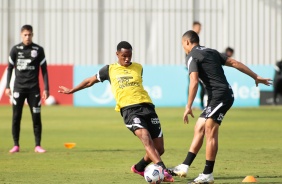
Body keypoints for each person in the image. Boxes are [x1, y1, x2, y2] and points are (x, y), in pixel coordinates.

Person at [58, 41, 174, 182]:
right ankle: (162, 168)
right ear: (117, 54)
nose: (127, 59)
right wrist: (71, 90)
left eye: (129, 56)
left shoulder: (138, 67)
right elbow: (90, 81)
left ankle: (139, 167)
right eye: (124, 56)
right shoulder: (109, 69)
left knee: (159, 149)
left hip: (148, 107)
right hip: (129, 110)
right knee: (145, 137)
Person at [168, 30, 272, 184]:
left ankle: (207, 174)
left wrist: (188, 106)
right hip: (217, 97)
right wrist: (255, 76)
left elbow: (194, 81)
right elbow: (235, 63)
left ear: (187, 42)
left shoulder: (191, 56)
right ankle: (184, 166)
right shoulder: (211, 51)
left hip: (221, 96)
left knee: (210, 129)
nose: (183, 47)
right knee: (199, 127)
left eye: (183, 44)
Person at [5, 25, 50, 153]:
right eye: (25, 35)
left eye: (29, 35)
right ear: (21, 35)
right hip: (19, 88)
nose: (27, 37)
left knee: (36, 117)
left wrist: (46, 88)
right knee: (16, 117)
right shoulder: (15, 50)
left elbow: (44, 70)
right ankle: (16, 145)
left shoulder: (38, 50)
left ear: (32, 35)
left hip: (33, 89)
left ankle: (37, 145)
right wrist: (8, 86)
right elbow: (9, 69)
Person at [192, 21, 206, 110]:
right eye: (198, 27)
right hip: (193, 66)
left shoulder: (196, 39)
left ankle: (201, 104)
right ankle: (190, 104)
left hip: (198, 67)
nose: (199, 29)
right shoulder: (190, 38)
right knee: (193, 84)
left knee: (202, 86)